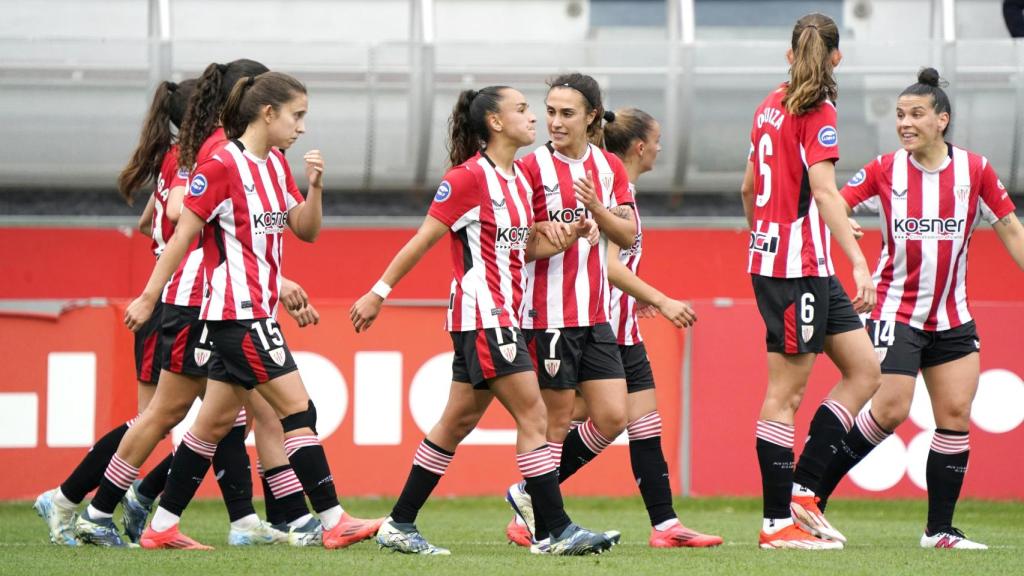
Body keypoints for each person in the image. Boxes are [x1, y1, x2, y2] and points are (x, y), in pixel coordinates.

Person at [350, 85, 617, 556]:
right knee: (534, 413)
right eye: (522, 110)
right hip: (483, 314)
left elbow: (528, 247)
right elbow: (423, 238)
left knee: (456, 422)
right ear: (495, 122)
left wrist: (572, 233)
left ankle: (398, 522)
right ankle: (555, 530)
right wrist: (378, 292)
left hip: (504, 315)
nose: (534, 118)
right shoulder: (468, 178)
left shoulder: (519, 179)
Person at [123, 70, 382, 551]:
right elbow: (182, 237)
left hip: (256, 312)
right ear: (268, 113)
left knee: (211, 426)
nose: (302, 127)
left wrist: (316, 188)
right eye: (297, 115)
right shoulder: (221, 165)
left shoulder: (276, 166)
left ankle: (160, 526)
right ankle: (332, 518)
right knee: (297, 408)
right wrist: (149, 295)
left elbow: (304, 229)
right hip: (234, 315)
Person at [814, 68, 1023, 549]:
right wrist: (848, 228)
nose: (905, 124)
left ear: (942, 120)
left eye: (916, 115)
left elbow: (1010, 228)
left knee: (954, 413)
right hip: (895, 309)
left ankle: (939, 531)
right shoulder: (887, 169)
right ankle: (813, 498)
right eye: (900, 116)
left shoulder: (976, 170)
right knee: (889, 410)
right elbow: (834, 203)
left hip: (953, 315)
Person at [739, 12, 881, 549]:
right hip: (794, 269)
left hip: (805, 265)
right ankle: (777, 522)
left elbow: (749, 187)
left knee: (865, 371)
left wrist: (764, 236)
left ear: (788, 56)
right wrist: (859, 262)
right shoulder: (817, 110)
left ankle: (803, 490)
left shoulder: (766, 105)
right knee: (785, 394)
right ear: (837, 58)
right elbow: (824, 191)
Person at [33, 78, 195, 546]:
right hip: (174, 301)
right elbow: (175, 214)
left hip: (173, 296)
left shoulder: (174, 158)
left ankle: (98, 500)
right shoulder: (190, 163)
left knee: (180, 421)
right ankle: (78, 499)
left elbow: (148, 222)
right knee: (163, 422)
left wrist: (168, 245)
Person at [502, 72, 638, 550]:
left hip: (594, 314)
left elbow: (625, 235)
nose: (554, 122)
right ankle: (549, 528)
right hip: (547, 314)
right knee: (553, 423)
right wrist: (550, 237)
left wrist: (595, 212)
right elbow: (517, 243)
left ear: (592, 117)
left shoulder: (609, 168)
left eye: (567, 113)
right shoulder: (531, 168)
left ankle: (529, 494)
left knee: (612, 416)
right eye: (551, 111)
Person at [591, 107, 724, 548]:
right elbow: (609, 267)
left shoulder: (622, 186)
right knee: (585, 419)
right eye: (658, 139)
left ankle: (665, 526)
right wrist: (660, 299)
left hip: (621, 323)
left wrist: (636, 299)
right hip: (600, 327)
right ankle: (531, 496)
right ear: (640, 146)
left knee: (644, 422)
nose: (663, 147)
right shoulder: (613, 188)